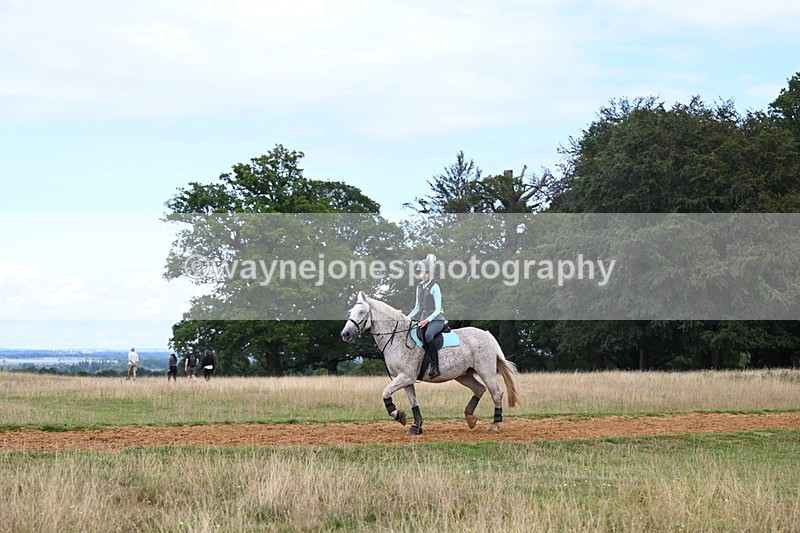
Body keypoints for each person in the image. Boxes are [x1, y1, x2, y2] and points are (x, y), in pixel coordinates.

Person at [406, 253, 446, 378]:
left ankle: (435, 367)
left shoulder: (435, 286)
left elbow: (438, 309)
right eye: (421, 272)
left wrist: (427, 320)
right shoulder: (419, 287)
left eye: (426, 273)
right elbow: (417, 308)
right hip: (424, 319)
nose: (423, 275)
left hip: (437, 320)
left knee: (428, 335)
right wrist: (405, 319)